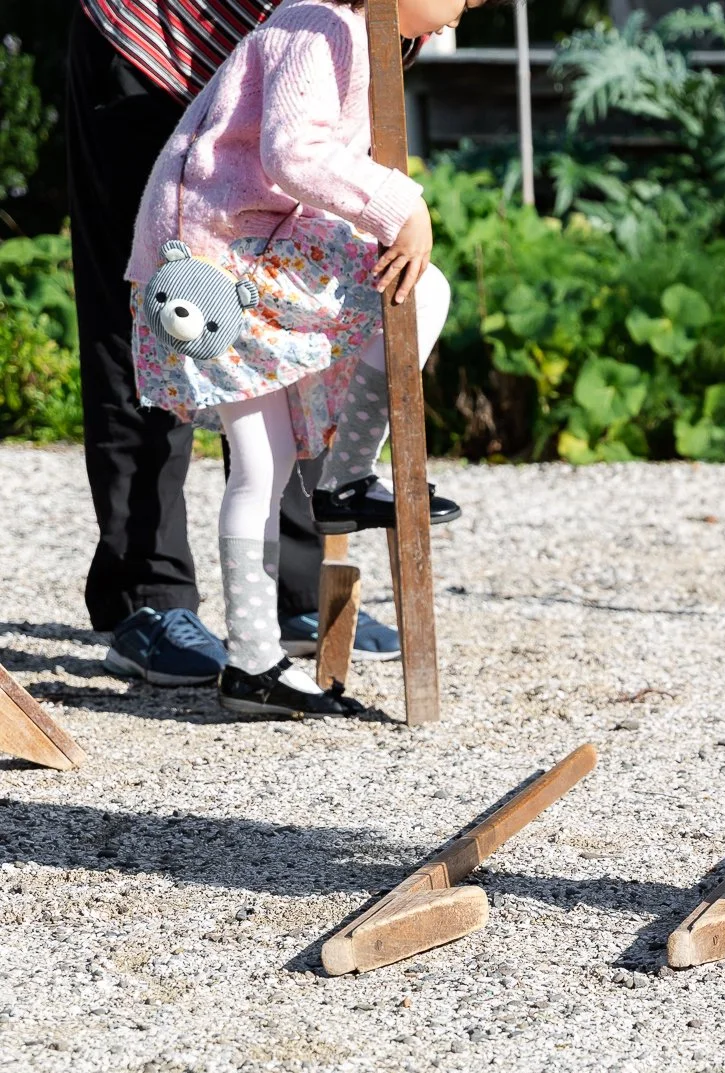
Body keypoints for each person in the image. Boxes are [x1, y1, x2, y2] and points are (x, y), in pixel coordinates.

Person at [124, 0, 481, 717]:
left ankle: (252, 663)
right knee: (422, 288)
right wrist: (401, 207)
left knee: (264, 464)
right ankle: (346, 477)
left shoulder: (334, 28)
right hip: (219, 259)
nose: (457, 19)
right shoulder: (320, 24)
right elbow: (293, 154)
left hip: (222, 247)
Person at [67, 0, 415, 686]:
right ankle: (149, 594)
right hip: (158, 44)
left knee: (288, 292)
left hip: (297, 47)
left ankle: (290, 584)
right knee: (158, 303)